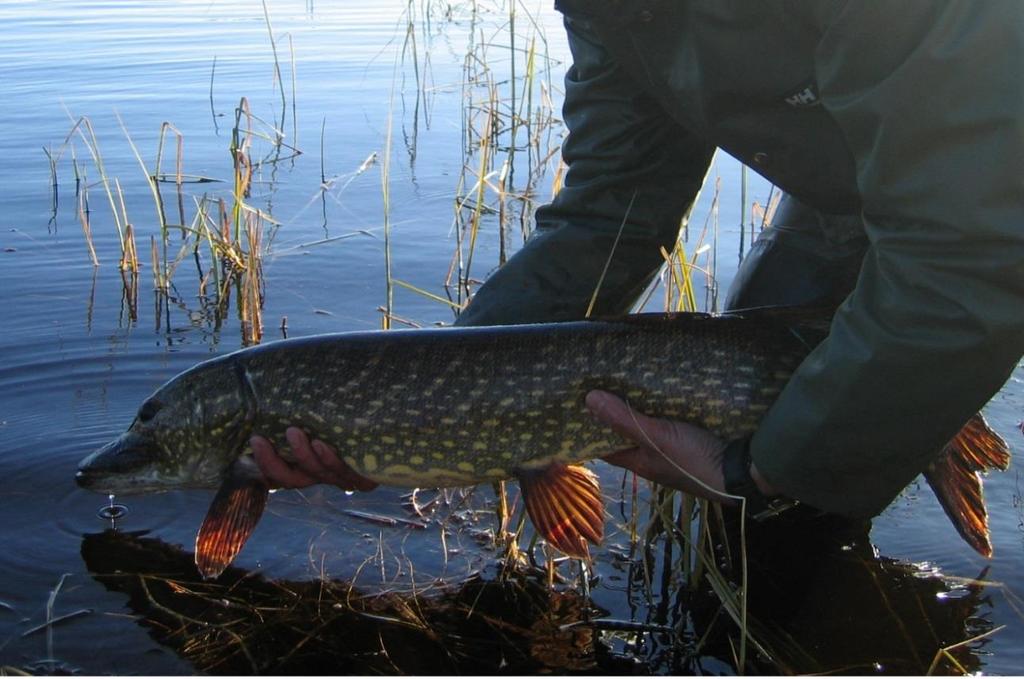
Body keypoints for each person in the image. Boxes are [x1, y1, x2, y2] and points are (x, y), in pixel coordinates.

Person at [255, 2, 1024, 523]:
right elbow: (612, 208)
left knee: (786, 463)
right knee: (784, 479)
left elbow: (971, 248)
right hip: (873, 182)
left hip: (986, 186)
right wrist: (415, 397)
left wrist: (754, 471)